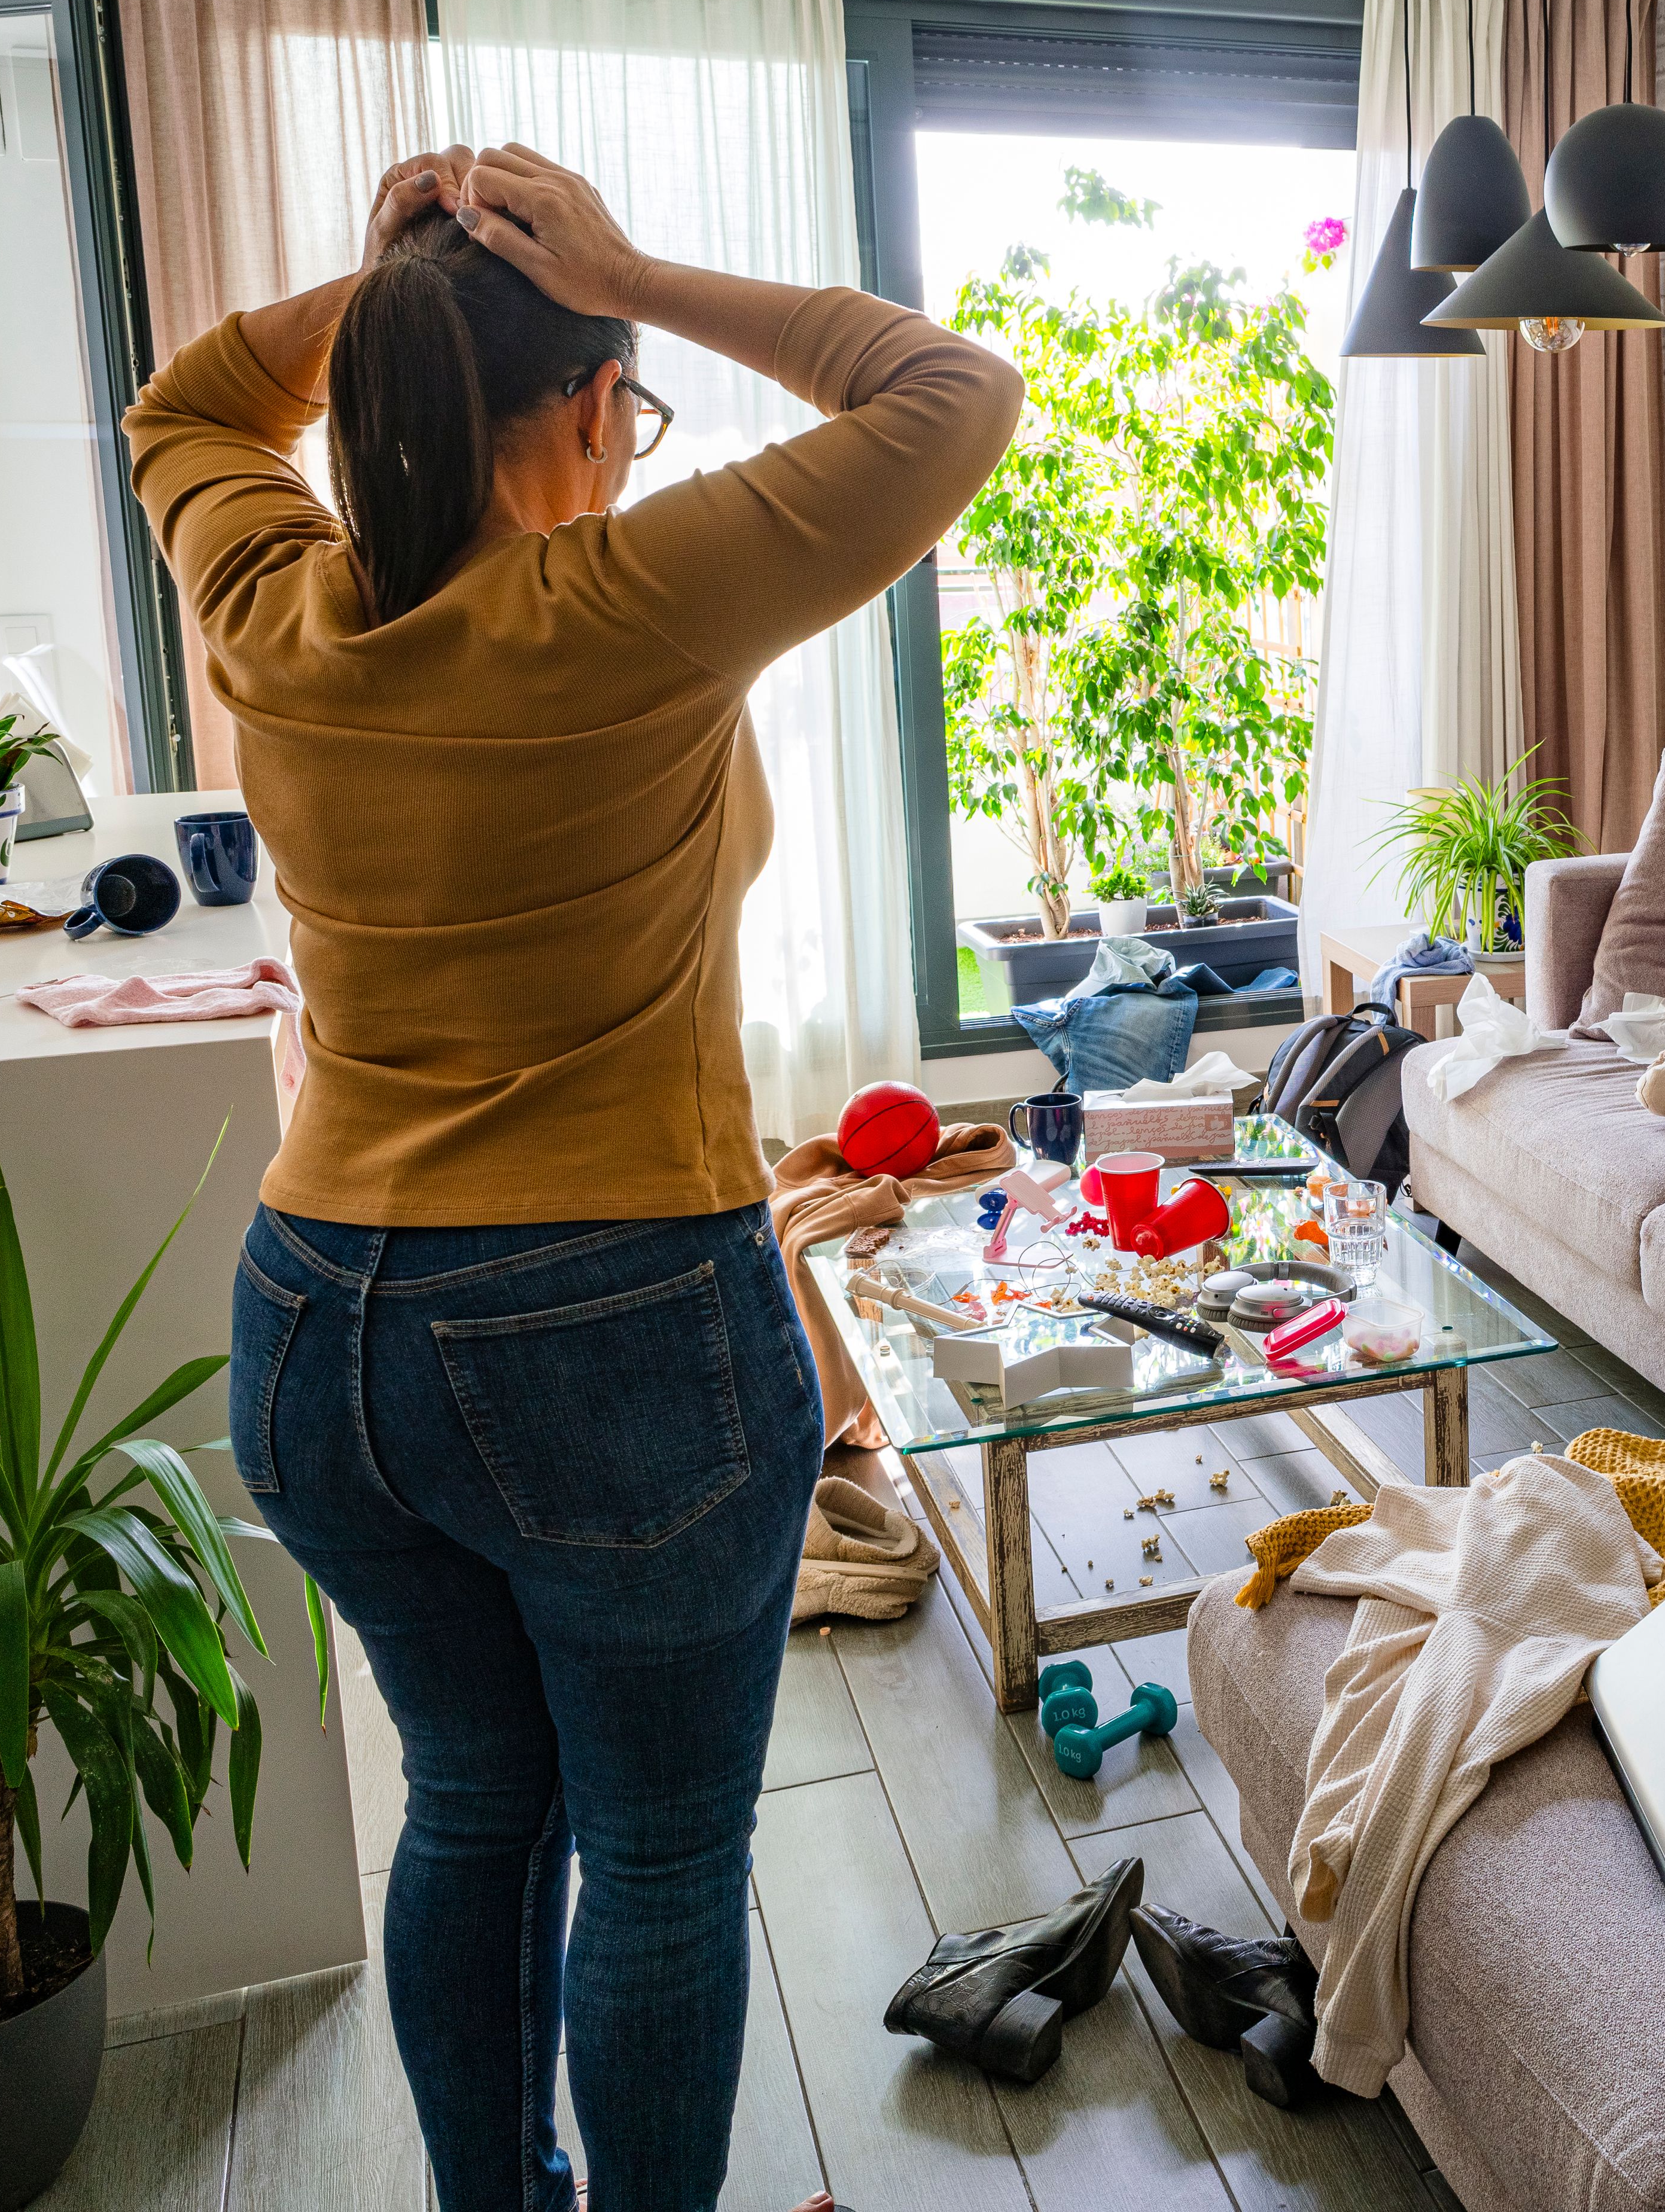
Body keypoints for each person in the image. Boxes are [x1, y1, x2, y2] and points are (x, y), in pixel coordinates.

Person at [126, 145, 1019, 2212]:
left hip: (316, 1327)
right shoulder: (622, 601)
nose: (642, 438)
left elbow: (182, 409)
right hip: (612, 1321)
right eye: (628, 394)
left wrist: (402, 289)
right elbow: (947, 394)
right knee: (667, 1851)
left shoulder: (281, 605)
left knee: (469, 1807)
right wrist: (617, 272)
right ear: (590, 404)